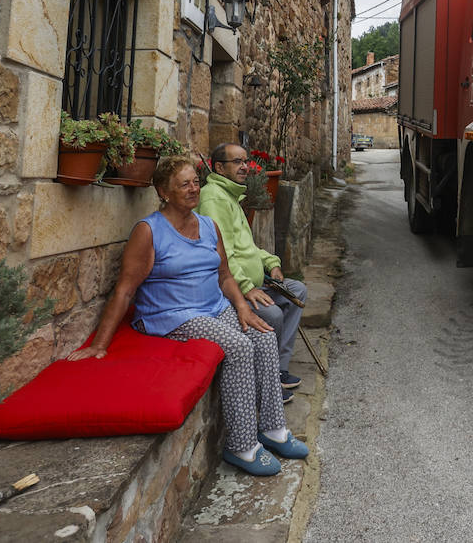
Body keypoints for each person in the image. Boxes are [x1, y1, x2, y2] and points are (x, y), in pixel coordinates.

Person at [66, 156, 308, 477]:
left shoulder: (209, 226)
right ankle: (242, 446)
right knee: (238, 347)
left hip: (214, 307)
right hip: (172, 315)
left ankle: (273, 429)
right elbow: (124, 290)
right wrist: (100, 344)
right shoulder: (149, 231)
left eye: (196, 181)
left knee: (262, 334)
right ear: (164, 192)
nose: (194, 189)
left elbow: (224, 277)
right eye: (185, 184)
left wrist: (243, 308)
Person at [199, 144, 309, 400]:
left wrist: (272, 262)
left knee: (297, 290)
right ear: (218, 167)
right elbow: (222, 254)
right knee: (272, 314)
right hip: (232, 288)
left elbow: (247, 248)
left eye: (245, 161)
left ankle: (278, 371)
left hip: (254, 282)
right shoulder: (214, 197)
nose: (245, 167)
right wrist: (247, 288)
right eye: (237, 162)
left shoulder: (231, 197)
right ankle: (266, 384)